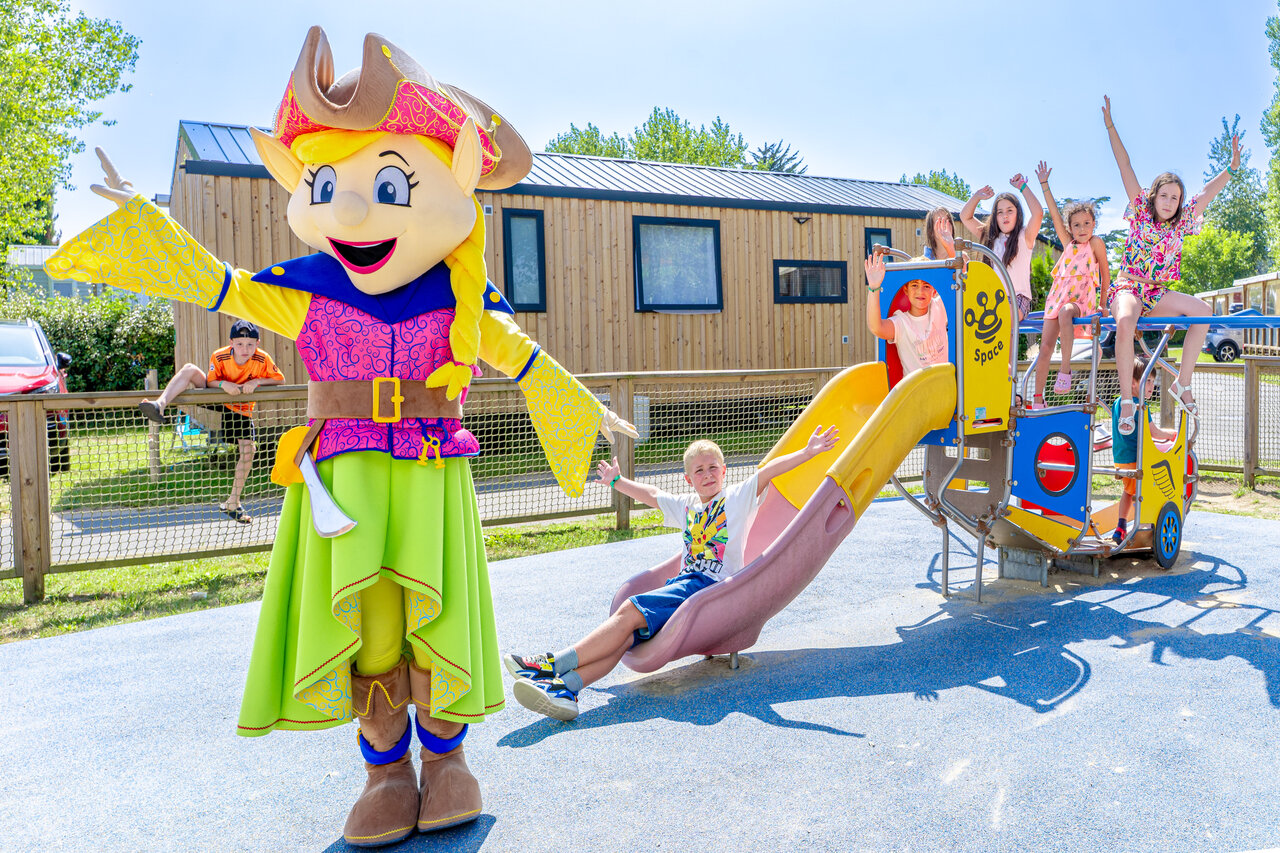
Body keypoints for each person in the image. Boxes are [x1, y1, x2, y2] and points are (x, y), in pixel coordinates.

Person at [47, 27, 635, 847]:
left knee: (435, 614)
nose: (350, 207)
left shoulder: (460, 297)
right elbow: (217, 283)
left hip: (427, 470)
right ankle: (387, 773)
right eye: (324, 182)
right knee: (372, 622)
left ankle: (449, 759)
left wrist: (585, 409)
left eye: (389, 183)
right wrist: (142, 216)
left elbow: (520, 355)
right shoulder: (309, 293)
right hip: (347, 485)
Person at [505, 426, 840, 721]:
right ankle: (566, 689)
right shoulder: (687, 506)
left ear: (724, 471)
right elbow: (652, 495)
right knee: (624, 638)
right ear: (688, 479)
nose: (708, 474)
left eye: (713, 468)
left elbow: (768, 472)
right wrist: (618, 481)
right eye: (699, 470)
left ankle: (549, 663)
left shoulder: (735, 498)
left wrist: (808, 452)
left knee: (629, 611)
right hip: (682, 588)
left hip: (708, 588)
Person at [1102, 95, 1239, 436]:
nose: (1169, 201)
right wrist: (1110, 125)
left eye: (1175, 197)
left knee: (1203, 311)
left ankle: (1182, 382)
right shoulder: (1140, 211)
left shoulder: (1182, 222)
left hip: (1158, 292)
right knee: (1125, 318)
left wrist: (1232, 167)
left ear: (1180, 202)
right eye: (1164, 195)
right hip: (1130, 287)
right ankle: (1128, 401)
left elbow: (1208, 191)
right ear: (1153, 196)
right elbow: (1125, 165)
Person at [140, 319, 284, 523]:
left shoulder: (262, 359)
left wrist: (257, 381)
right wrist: (224, 384)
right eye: (240, 344)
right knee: (189, 368)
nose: (245, 349)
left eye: (250, 344)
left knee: (249, 450)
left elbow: (280, 379)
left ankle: (233, 502)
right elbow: (209, 382)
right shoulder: (220, 356)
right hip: (217, 396)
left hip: (240, 407)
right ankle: (159, 404)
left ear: (257, 343)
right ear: (231, 342)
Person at [1030, 162, 1110, 408]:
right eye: (1076, 225)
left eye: (1086, 223)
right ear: (1070, 227)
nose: (1082, 229)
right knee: (1044, 348)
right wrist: (1044, 185)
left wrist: (1104, 304)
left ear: (1093, 224)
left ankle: (1065, 370)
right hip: (1057, 297)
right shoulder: (1068, 243)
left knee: (1067, 312)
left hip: (1080, 301)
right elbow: (1054, 213)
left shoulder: (1095, 244)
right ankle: (1038, 398)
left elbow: (1105, 274)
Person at [960, 174, 1044, 323]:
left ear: (1018, 213)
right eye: (1000, 212)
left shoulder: (1025, 236)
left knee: (1004, 321)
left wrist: (1022, 187)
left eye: (1010, 210)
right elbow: (965, 216)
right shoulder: (990, 237)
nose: (1005, 216)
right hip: (993, 297)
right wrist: (977, 197)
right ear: (995, 217)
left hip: (1017, 297)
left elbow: (1038, 212)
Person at [1111, 356, 1175, 545]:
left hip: (1120, 458)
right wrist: (1171, 435)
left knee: (1128, 492)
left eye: (1153, 381)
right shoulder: (1140, 405)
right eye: (1146, 381)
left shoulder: (1118, 403)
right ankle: (1141, 525)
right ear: (1132, 382)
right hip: (1135, 459)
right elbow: (1153, 432)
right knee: (1144, 490)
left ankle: (1121, 526)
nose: (1151, 386)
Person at [864, 249, 949, 374]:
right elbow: (876, 327)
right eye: (914, 285)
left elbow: (963, 281)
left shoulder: (938, 308)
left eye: (926, 286)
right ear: (906, 290)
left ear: (934, 291)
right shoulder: (901, 323)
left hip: (943, 388)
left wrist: (951, 249)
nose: (920, 291)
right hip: (916, 390)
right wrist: (874, 287)